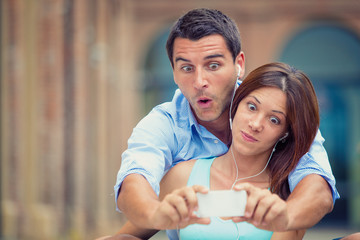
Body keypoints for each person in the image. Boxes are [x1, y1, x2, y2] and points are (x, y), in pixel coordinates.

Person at [113, 7, 339, 239]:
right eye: (186, 68)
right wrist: (156, 213)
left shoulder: (279, 106)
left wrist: (285, 216)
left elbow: (318, 187)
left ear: (239, 63)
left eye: (213, 65)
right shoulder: (165, 128)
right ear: (173, 72)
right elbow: (134, 179)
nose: (200, 81)